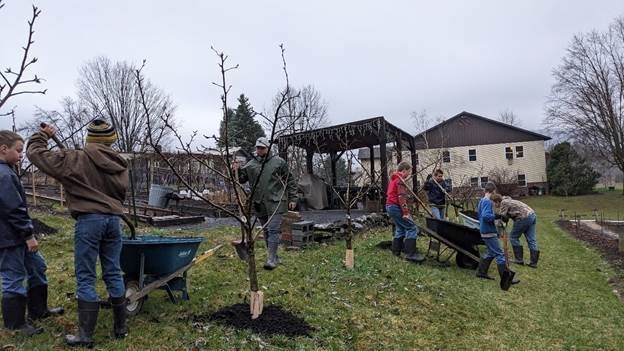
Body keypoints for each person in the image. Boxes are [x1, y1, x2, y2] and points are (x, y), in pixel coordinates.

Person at [27, 120, 129, 347]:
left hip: (89, 221)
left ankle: (85, 336)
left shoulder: (75, 158)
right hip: (114, 221)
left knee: (85, 275)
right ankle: (121, 328)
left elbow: (36, 155)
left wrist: (42, 136)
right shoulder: (120, 164)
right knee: (113, 271)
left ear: (89, 139)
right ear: (111, 140)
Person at [0, 131, 63, 336]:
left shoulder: (8, 171)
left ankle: (39, 310)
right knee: (14, 276)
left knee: (37, 267)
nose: (21, 156)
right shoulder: (3, 175)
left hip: (16, 234)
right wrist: (28, 235)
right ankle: (16, 325)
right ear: (3, 149)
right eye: (18, 151)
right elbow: (13, 208)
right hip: (9, 238)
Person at [234, 137, 297, 270]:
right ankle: (274, 256)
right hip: (259, 203)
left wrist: (293, 198)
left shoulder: (278, 162)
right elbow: (241, 179)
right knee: (266, 231)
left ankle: (271, 259)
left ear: (268, 148)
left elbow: (289, 180)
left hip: (276, 201)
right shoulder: (251, 165)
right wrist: (237, 169)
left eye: (262, 148)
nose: (259, 150)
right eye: (257, 148)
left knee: (273, 229)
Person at [475, 182, 519, 290]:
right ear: (493, 191)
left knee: (491, 252)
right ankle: (506, 280)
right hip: (488, 231)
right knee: (500, 254)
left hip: (484, 230)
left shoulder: (481, 201)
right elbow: (486, 216)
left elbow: (480, 215)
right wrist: (497, 216)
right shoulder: (487, 202)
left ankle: (481, 272)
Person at [385, 161, 425, 263]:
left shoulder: (393, 179)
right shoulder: (400, 180)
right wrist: (406, 213)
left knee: (400, 228)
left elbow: (397, 195)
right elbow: (401, 197)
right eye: (409, 172)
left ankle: (396, 251)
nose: (409, 174)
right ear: (404, 170)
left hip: (389, 206)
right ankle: (410, 254)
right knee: (412, 227)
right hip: (395, 207)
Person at [492, 194, 539, 268]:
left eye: (494, 203)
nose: (494, 205)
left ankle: (519, 260)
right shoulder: (508, 200)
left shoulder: (503, 203)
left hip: (523, 217)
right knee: (531, 239)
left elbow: (501, 218)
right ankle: (533, 263)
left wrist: (498, 232)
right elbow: (506, 217)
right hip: (532, 215)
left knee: (513, 237)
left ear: (497, 201)